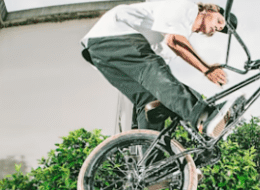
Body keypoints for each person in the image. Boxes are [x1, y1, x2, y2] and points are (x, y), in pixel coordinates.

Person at [80, 1, 239, 133]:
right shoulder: (186, 7)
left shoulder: (177, 35)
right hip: (114, 34)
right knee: (155, 72)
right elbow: (174, 41)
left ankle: (149, 164)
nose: (216, 28)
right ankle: (202, 116)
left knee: (151, 102)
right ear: (210, 10)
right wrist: (207, 69)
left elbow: (162, 80)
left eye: (218, 30)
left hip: (100, 55)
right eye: (219, 22)